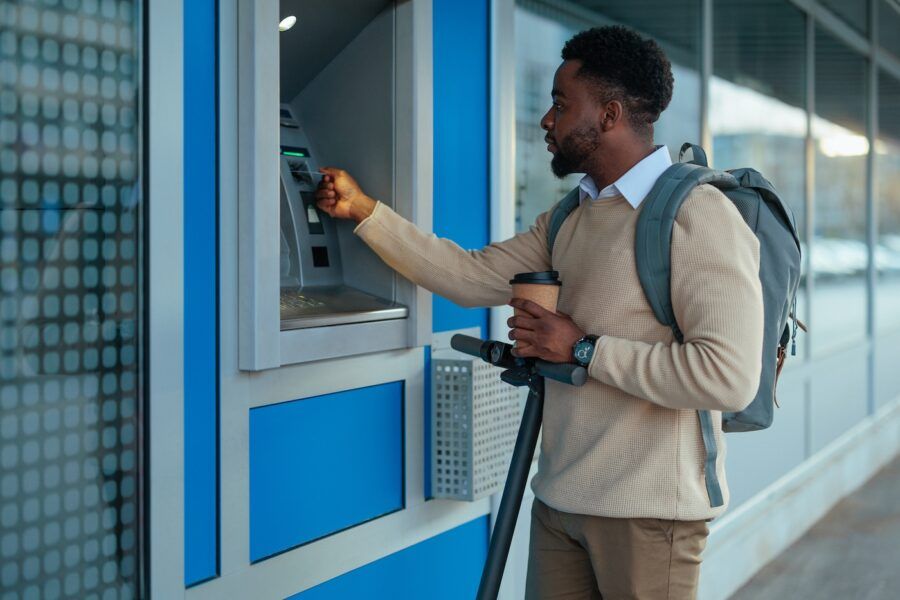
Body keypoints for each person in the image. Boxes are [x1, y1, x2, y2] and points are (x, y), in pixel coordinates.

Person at [315, 25, 763, 600]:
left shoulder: (697, 215)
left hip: (650, 514)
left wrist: (582, 348)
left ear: (609, 114)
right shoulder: (569, 218)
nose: (546, 121)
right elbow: (470, 275)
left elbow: (727, 376)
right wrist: (366, 212)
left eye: (559, 104)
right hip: (559, 498)